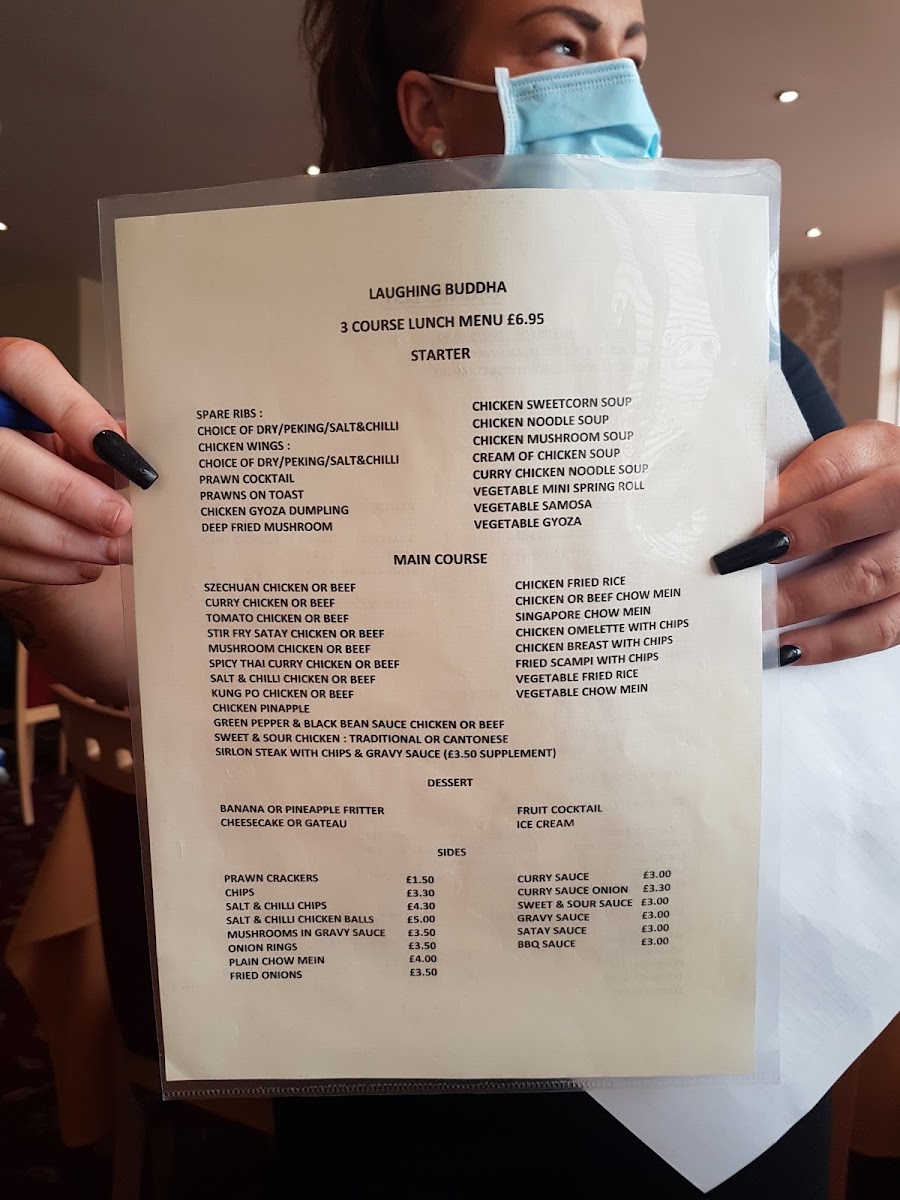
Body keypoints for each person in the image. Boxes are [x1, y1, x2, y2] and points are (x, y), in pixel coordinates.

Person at [0, 0, 896, 1194]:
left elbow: (845, 650)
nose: (620, 86)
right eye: (566, 44)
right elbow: (185, 666)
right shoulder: (265, 371)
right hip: (395, 1030)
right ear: (429, 111)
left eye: (635, 47)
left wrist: (880, 562)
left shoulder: (743, 355)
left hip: (709, 1037)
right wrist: (63, 576)